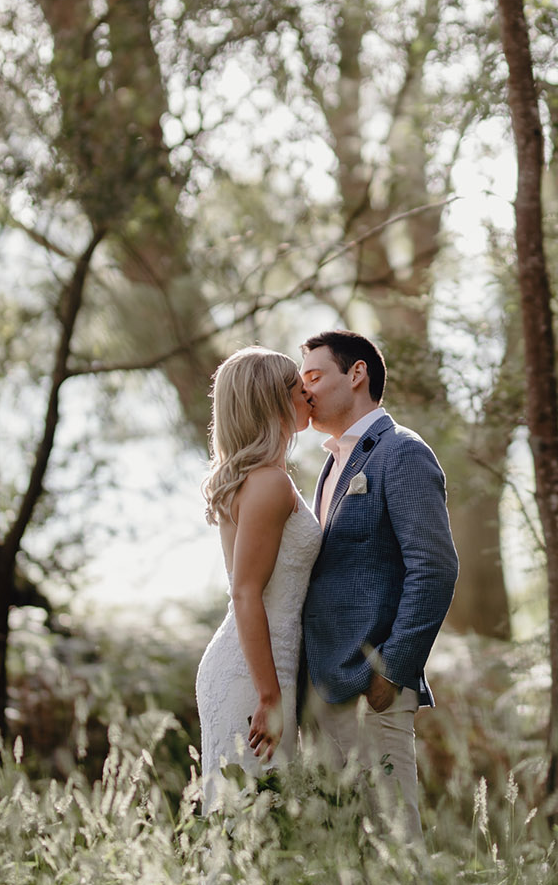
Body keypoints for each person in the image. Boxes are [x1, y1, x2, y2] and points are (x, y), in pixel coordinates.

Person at [298, 330, 458, 843]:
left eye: (314, 376)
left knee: (395, 848)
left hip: (372, 691)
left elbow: (434, 568)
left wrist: (390, 670)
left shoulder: (402, 452)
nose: (305, 391)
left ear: (357, 374)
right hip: (320, 688)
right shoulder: (332, 463)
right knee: (341, 857)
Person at [194, 347, 321, 810]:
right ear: (273, 401)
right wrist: (269, 696)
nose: (308, 395)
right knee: (254, 818)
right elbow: (245, 592)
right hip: (255, 676)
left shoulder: (259, 478)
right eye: (298, 388)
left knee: (255, 819)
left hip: (262, 664)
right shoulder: (269, 482)